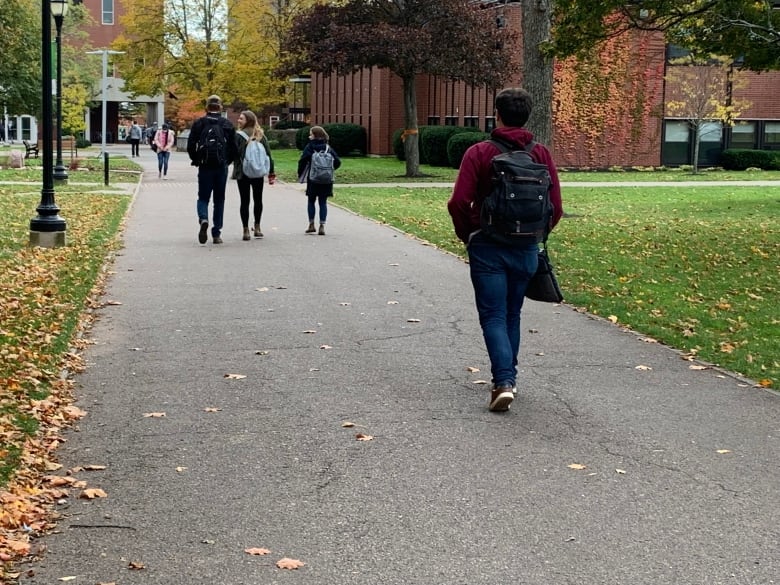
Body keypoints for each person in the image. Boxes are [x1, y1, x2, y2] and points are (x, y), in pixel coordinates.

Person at [447, 88, 563, 412]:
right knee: (512, 313)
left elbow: (458, 201)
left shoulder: (479, 152)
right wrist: (535, 234)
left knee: (493, 315)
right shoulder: (541, 154)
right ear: (527, 115)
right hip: (526, 247)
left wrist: (469, 232)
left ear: (496, 114)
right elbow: (556, 207)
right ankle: (509, 377)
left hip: (488, 246)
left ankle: (503, 382)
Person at [187, 94, 237, 244]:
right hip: (221, 166)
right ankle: (217, 233)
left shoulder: (199, 123)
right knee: (219, 199)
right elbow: (233, 147)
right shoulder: (226, 124)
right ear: (220, 107)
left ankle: (203, 218)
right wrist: (227, 161)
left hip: (205, 165)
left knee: (203, 197)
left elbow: (191, 145)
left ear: (206, 107)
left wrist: (196, 159)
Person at [232, 111, 276, 240]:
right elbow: (268, 155)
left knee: (244, 201)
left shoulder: (238, 136)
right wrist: (271, 172)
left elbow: (235, 154)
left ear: (248, 120)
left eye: (241, 119)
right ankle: (257, 227)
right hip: (258, 172)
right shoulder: (260, 135)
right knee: (258, 200)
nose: (238, 120)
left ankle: (245, 230)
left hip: (243, 173)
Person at [297, 126, 341, 235]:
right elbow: (338, 161)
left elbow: (302, 161)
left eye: (311, 134)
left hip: (313, 178)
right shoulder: (327, 148)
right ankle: (322, 225)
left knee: (311, 201)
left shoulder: (310, 147)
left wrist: (300, 173)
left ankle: (311, 224)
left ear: (315, 135)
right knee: (323, 202)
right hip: (326, 179)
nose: (309, 136)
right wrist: (329, 170)